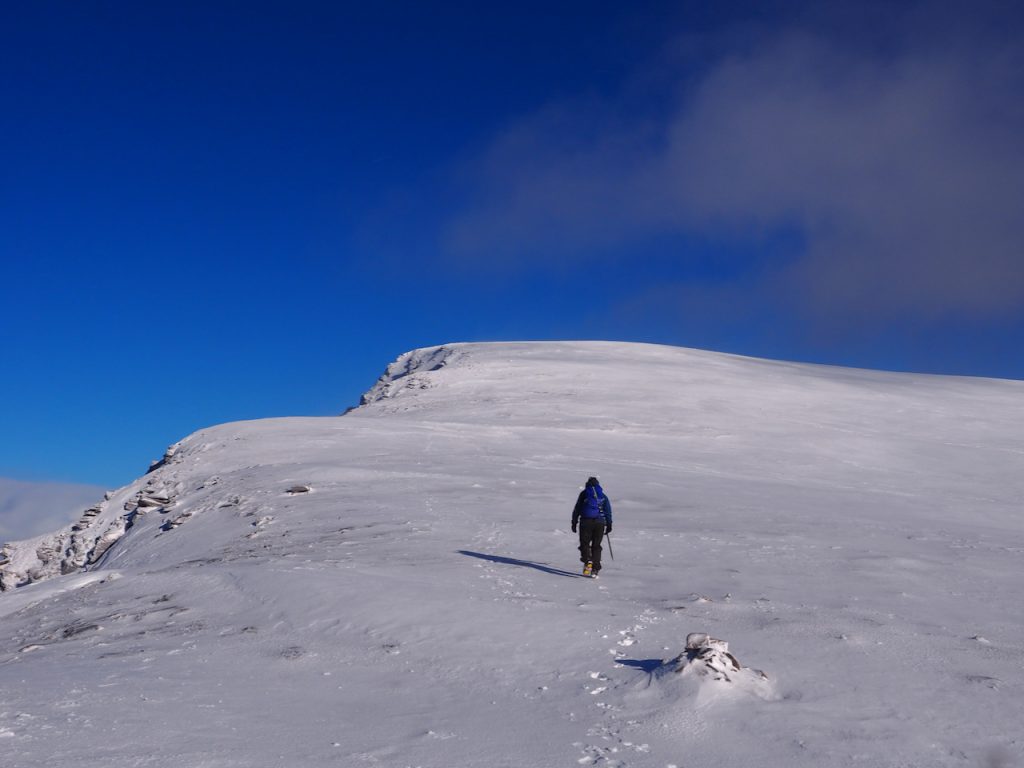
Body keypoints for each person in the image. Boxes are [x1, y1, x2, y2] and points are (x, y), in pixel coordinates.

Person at [571, 476, 612, 577]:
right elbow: (607, 510)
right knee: (596, 546)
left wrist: (574, 522)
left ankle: (587, 560)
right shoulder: (602, 495)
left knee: (584, 544)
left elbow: (577, 508)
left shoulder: (584, 494)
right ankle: (595, 569)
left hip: (586, 522)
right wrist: (609, 524)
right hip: (600, 523)